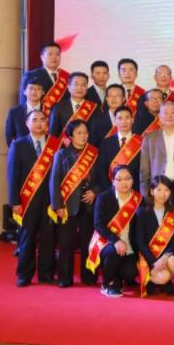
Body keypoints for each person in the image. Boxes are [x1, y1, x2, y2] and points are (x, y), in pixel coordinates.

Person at [8, 109, 57, 286]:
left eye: (42, 119)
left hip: (50, 201)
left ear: (47, 123)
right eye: (34, 120)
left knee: (48, 238)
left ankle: (46, 273)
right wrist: (14, 202)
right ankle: (24, 274)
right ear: (27, 124)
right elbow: (13, 175)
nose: (38, 123)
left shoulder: (55, 145)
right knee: (27, 238)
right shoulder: (18, 145)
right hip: (27, 200)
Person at [50, 120, 100, 287]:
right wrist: (57, 205)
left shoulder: (94, 153)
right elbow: (54, 181)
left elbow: (102, 178)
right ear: (70, 136)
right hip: (67, 204)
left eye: (85, 132)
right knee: (66, 243)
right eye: (79, 133)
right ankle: (64, 277)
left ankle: (89, 276)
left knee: (88, 242)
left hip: (89, 203)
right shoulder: (61, 154)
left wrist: (95, 191)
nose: (83, 136)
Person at [88, 164, 142, 297]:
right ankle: (107, 284)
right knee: (114, 252)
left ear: (133, 180)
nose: (124, 182)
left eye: (127, 178)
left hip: (129, 244)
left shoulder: (138, 199)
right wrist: (116, 240)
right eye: (119, 179)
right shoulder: (104, 197)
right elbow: (99, 224)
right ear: (113, 181)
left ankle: (120, 278)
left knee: (131, 272)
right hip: (106, 241)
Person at [139, 101, 174, 206]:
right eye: (165, 113)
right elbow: (144, 170)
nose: (169, 116)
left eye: (173, 112)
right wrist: (145, 194)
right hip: (158, 189)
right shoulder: (149, 138)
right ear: (159, 117)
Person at [135, 175, 174, 297]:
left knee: (173, 262)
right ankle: (155, 281)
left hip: (167, 255)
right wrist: (153, 261)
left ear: (170, 192)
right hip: (148, 255)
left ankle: (163, 281)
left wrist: (166, 256)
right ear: (152, 191)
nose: (163, 194)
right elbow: (140, 241)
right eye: (159, 190)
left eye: (166, 190)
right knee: (162, 276)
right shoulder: (142, 212)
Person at [95, 106, 140, 193]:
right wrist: (110, 189)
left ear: (132, 120)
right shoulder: (106, 143)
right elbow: (102, 169)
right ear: (115, 121)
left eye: (127, 118)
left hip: (136, 191)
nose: (123, 121)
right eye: (120, 118)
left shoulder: (141, 142)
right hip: (111, 190)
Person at [48, 71, 98, 139]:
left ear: (87, 88)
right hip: (64, 145)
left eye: (83, 85)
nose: (79, 88)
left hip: (87, 145)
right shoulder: (58, 107)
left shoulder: (94, 108)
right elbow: (53, 134)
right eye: (76, 84)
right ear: (69, 87)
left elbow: (96, 134)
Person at [5, 74, 45, 146]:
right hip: (21, 151)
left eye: (38, 89)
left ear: (43, 92)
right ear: (24, 91)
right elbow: (9, 137)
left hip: (44, 151)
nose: (34, 92)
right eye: (31, 88)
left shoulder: (49, 110)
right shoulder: (14, 112)